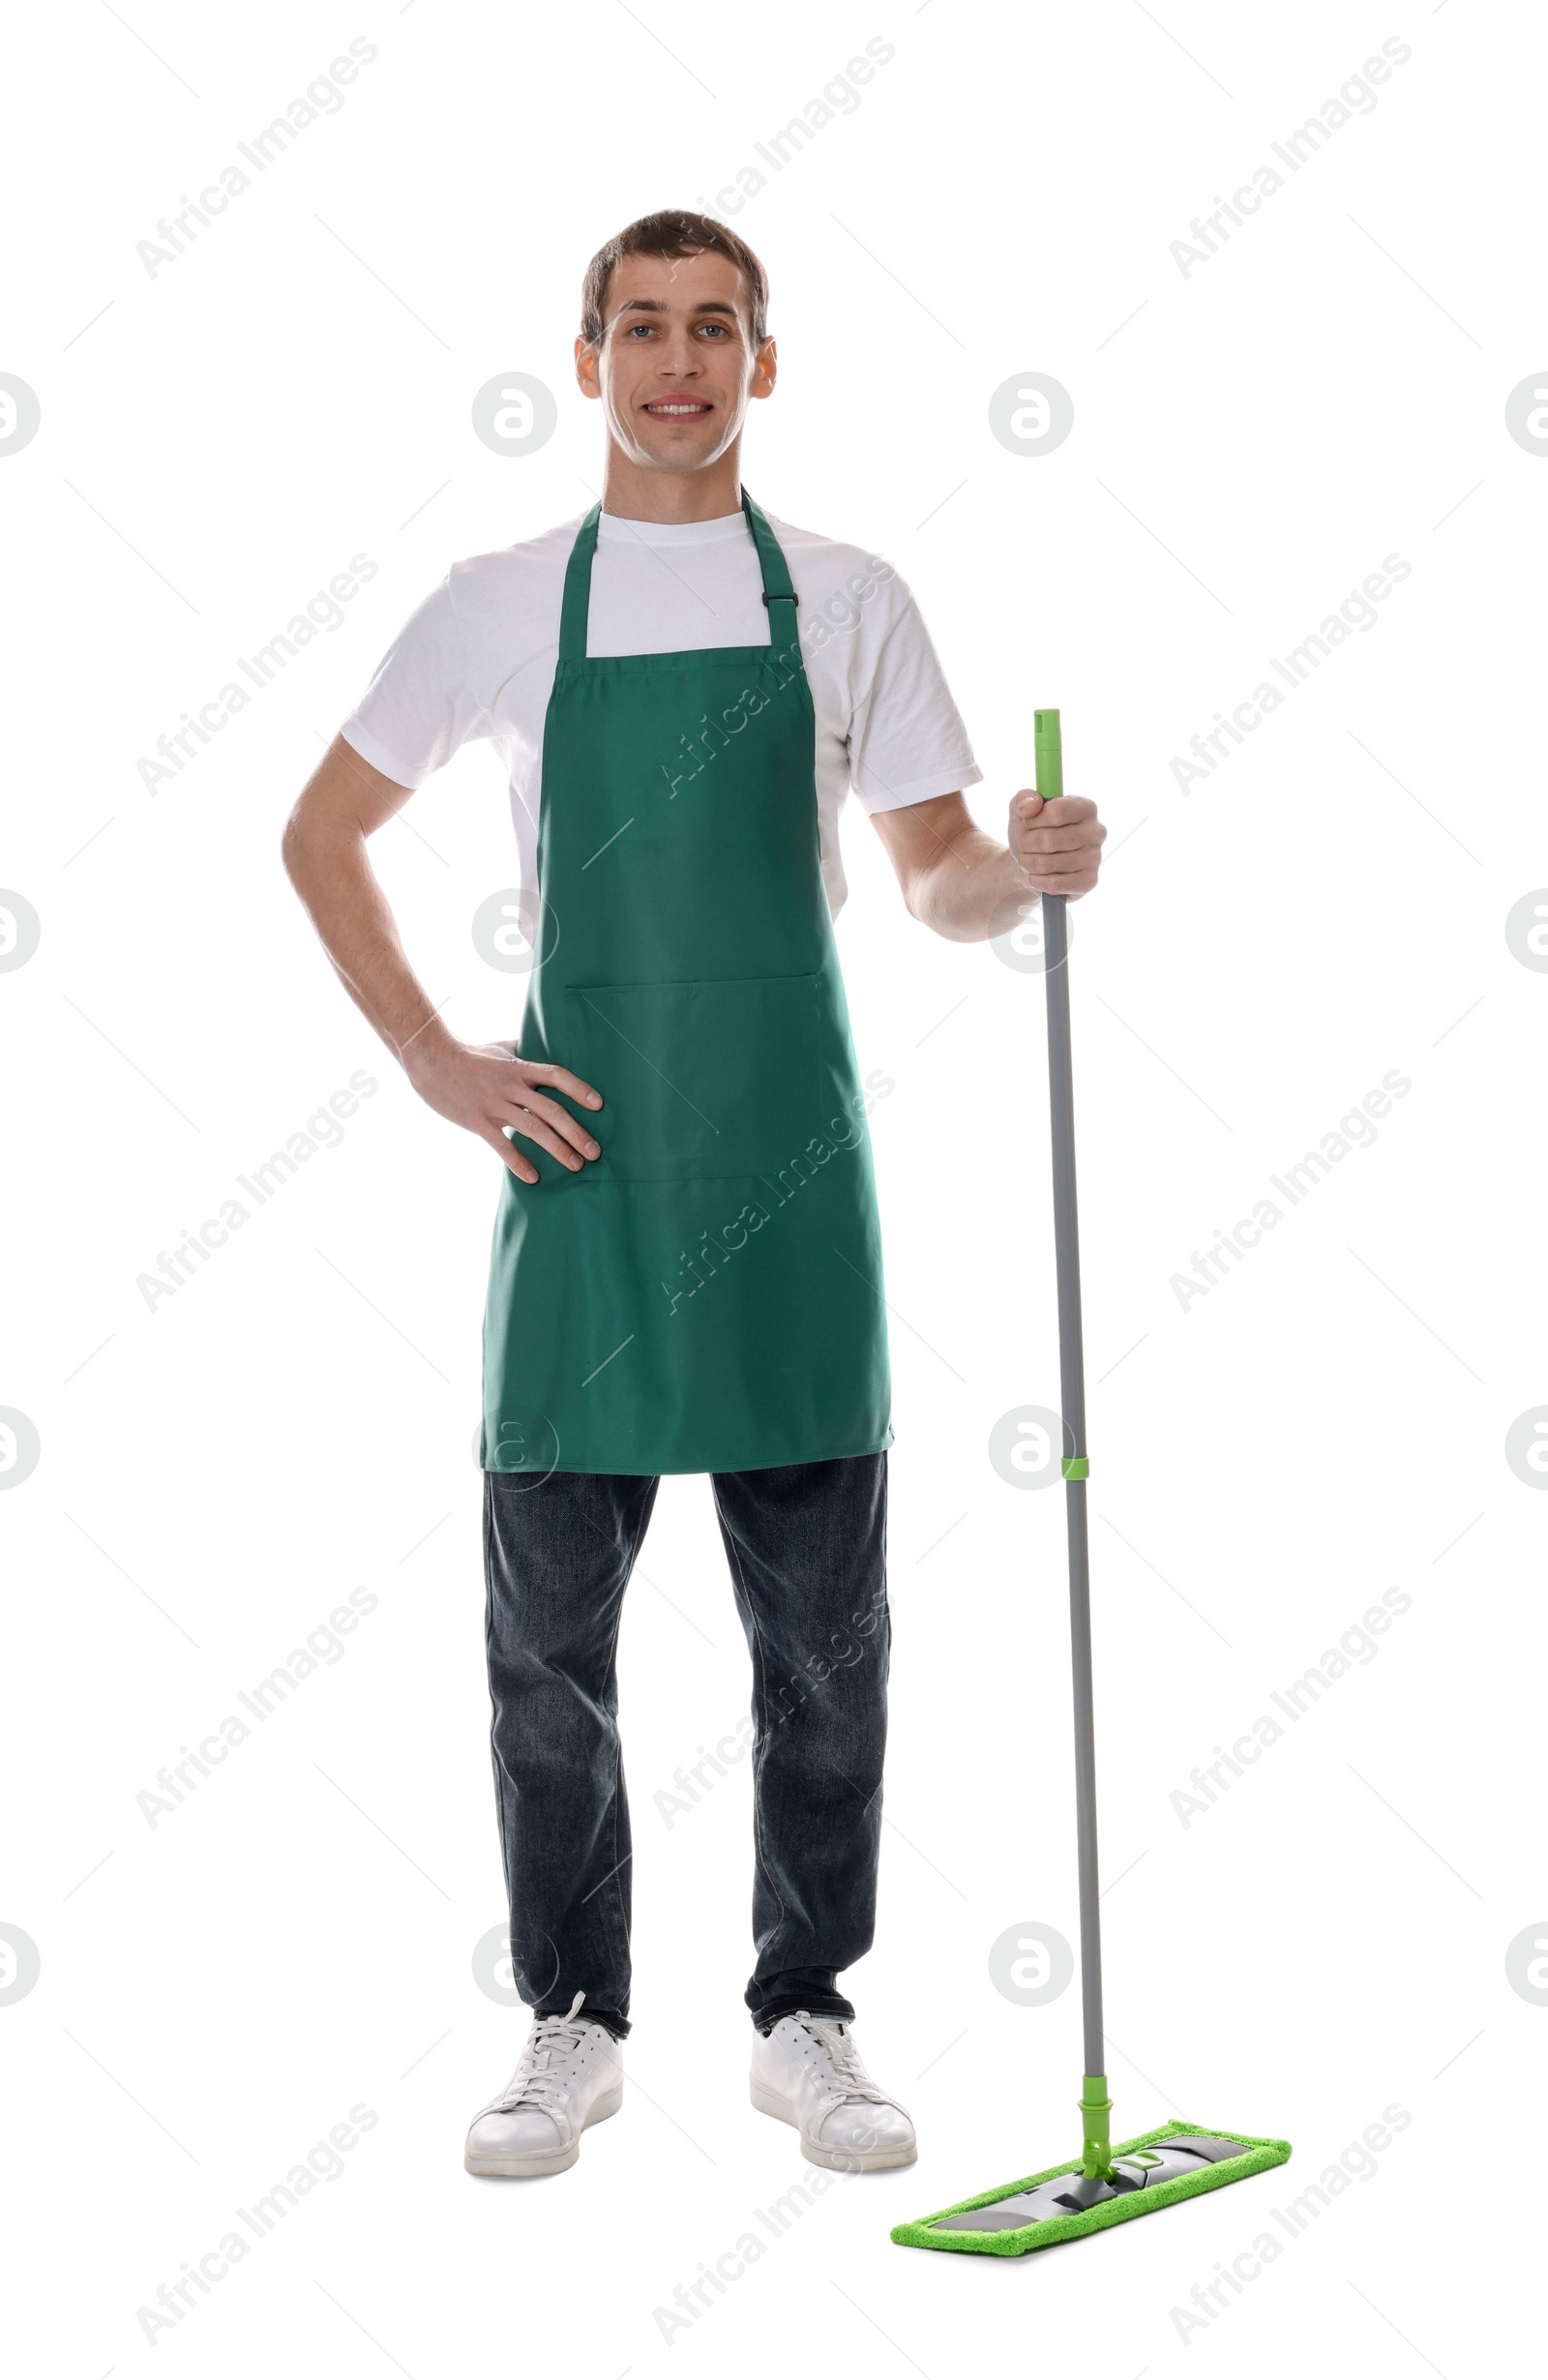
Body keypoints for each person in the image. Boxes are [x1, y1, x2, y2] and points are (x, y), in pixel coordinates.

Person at [282, 209, 1106, 2182]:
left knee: (825, 1644)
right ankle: (569, 2021)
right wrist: (433, 1060)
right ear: (587, 360)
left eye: (712, 329)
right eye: (640, 329)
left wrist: (1028, 865)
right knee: (547, 1647)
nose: (677, 362)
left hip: (786, 1174)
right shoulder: (496, 604)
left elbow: (930, 877)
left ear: (760, 360)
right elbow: (319, 834)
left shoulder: (845, 596)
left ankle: (804, 2014)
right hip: (583, 1178)